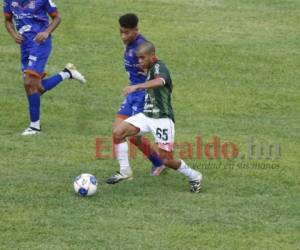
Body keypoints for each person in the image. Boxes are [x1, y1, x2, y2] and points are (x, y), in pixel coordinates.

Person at [110, 41, 203, 193]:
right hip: (146, 116)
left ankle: (194, 176)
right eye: (138, 58)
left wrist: (137, 86)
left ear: (152, 56)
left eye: (142, 58)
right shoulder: (150, 68)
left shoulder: (160, 66)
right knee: (118, 132)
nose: (140, 62)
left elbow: (161, 81)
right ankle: (125, 171)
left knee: (166, 160)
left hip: (162, 120)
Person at [3, 0, 86, 135]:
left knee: (29, 83)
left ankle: (35, 127)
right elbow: (7, 20)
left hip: (40, 43)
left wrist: (47, 32)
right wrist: (13, 34)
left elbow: (57, 17)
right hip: (25, 46)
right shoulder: (8, 1)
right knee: (35, 88)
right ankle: (66, 73)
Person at [106, 13, 165, 184]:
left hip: (142, 96)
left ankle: (151, 165)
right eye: (121, 32)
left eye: (127, 33)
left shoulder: (142, 46)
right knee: (118, 131)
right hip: (132, 94)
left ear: (136, 30)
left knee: (127, 134)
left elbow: (159, 69)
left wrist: (149, 73)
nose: (123, 36)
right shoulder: (130, 43)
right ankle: (152, 164)